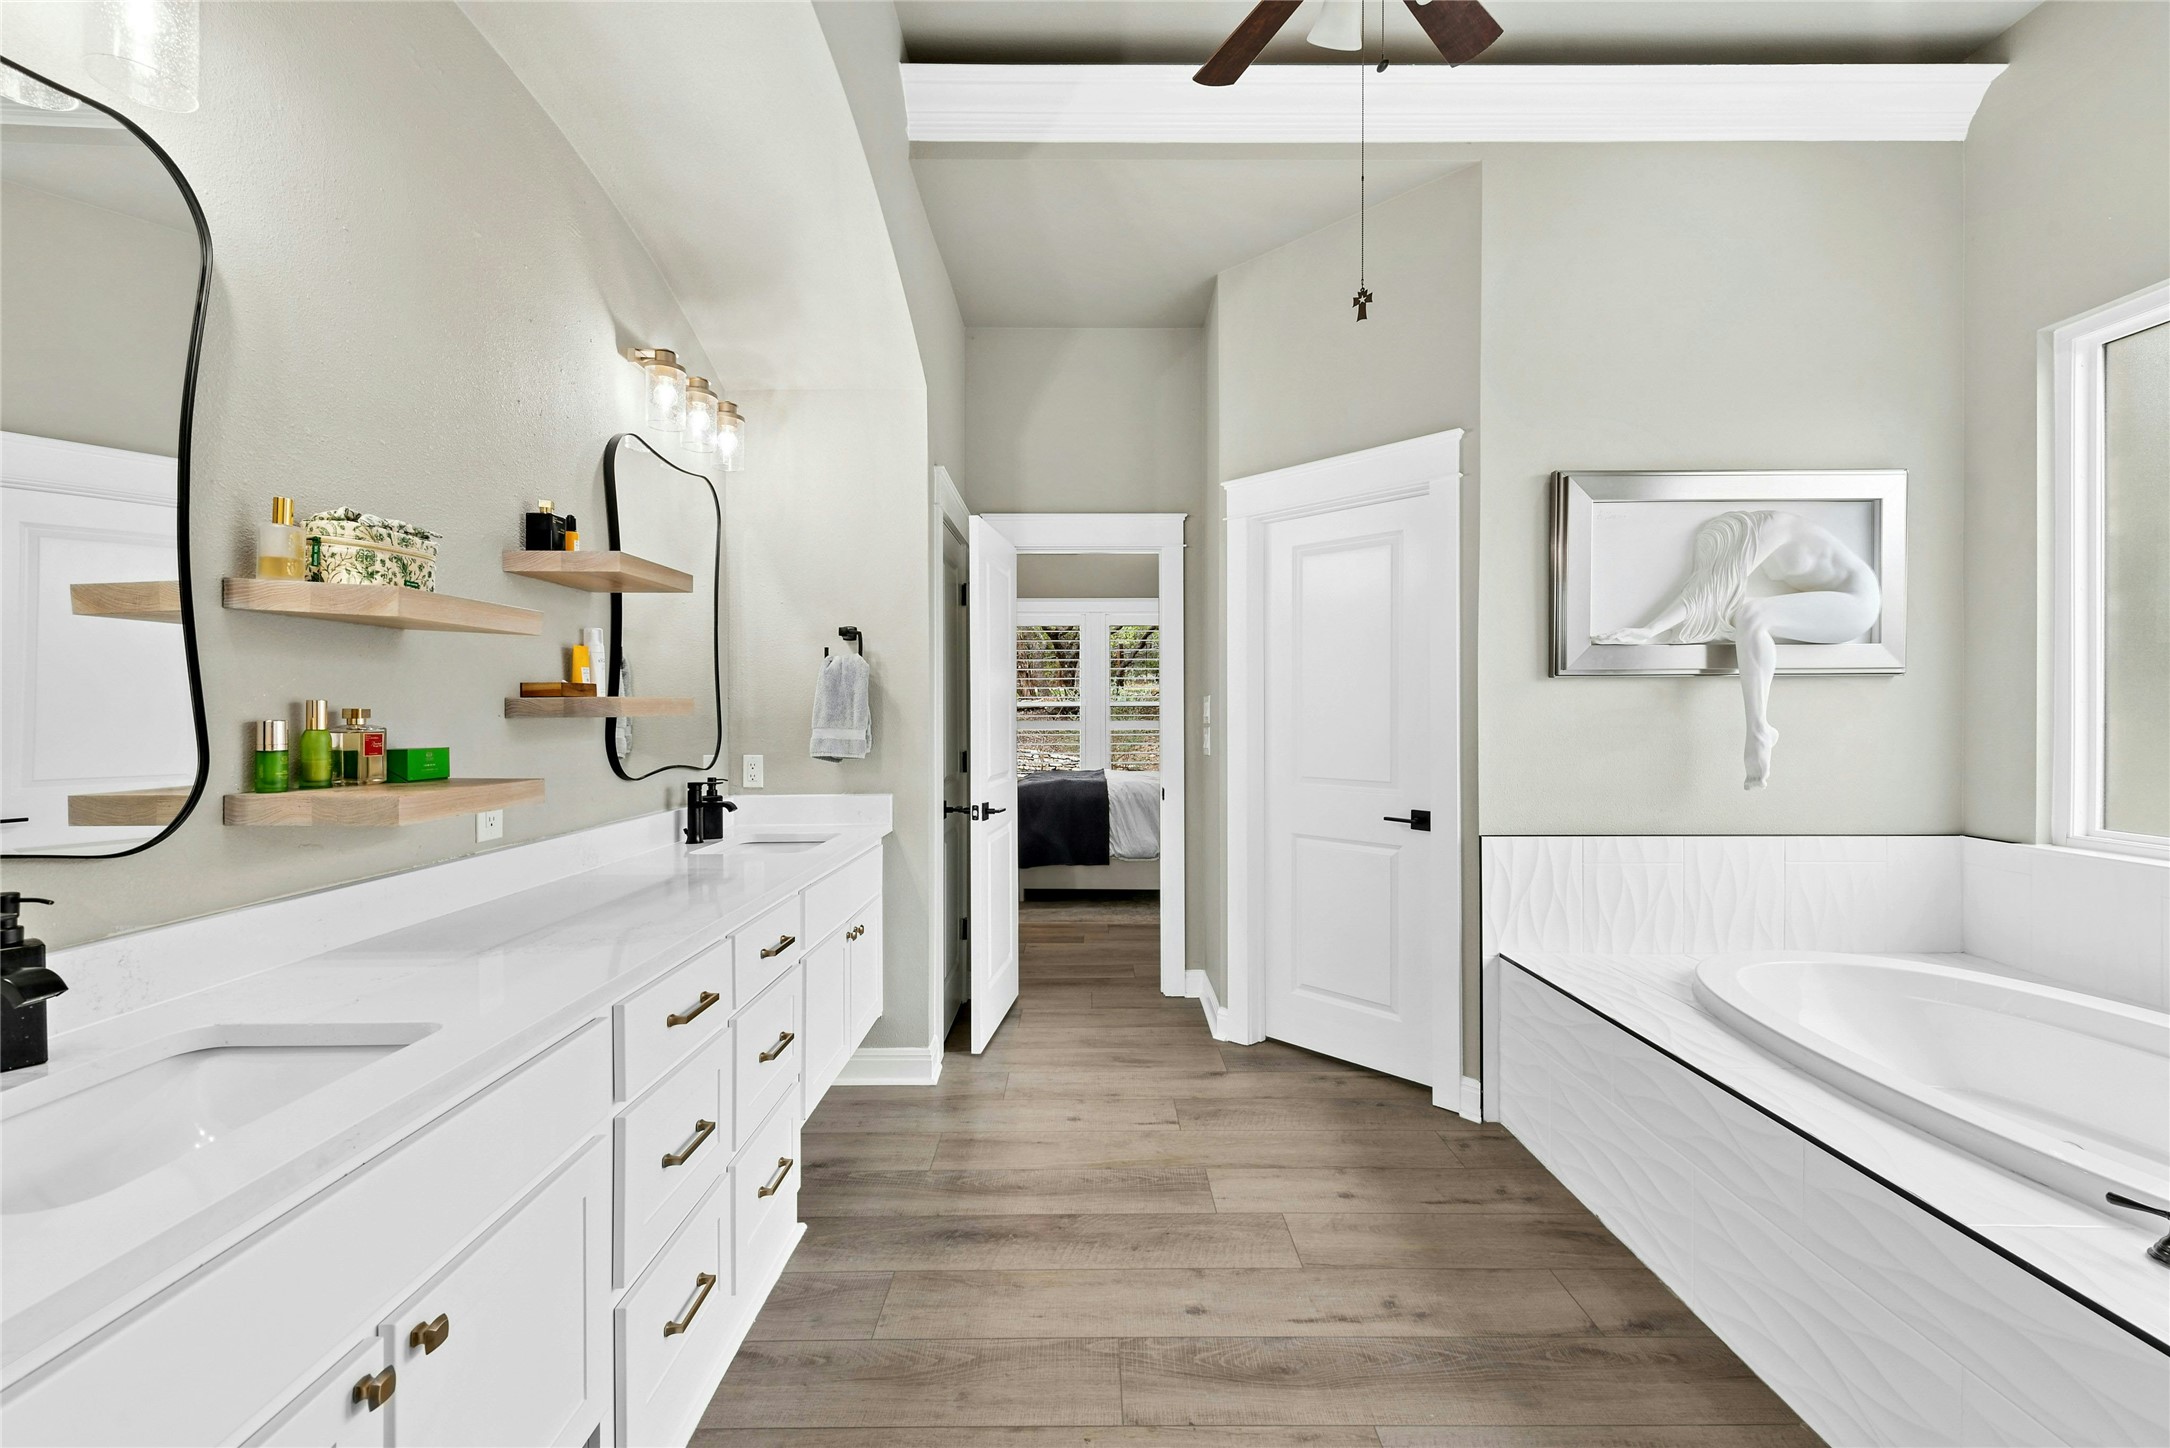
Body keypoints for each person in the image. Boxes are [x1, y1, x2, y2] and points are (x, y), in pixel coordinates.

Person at [1595, 509, 1880, 789]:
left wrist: (1652, 628)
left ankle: (1758, 730)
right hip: (1836, 602)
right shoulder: (1750, 539)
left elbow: (1712, 590)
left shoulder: (1773, 526)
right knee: (1743, 615)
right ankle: (1760, 730)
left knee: (1751, 614)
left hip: (1858, 603)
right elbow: (1707, 586)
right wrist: (1651, 630)